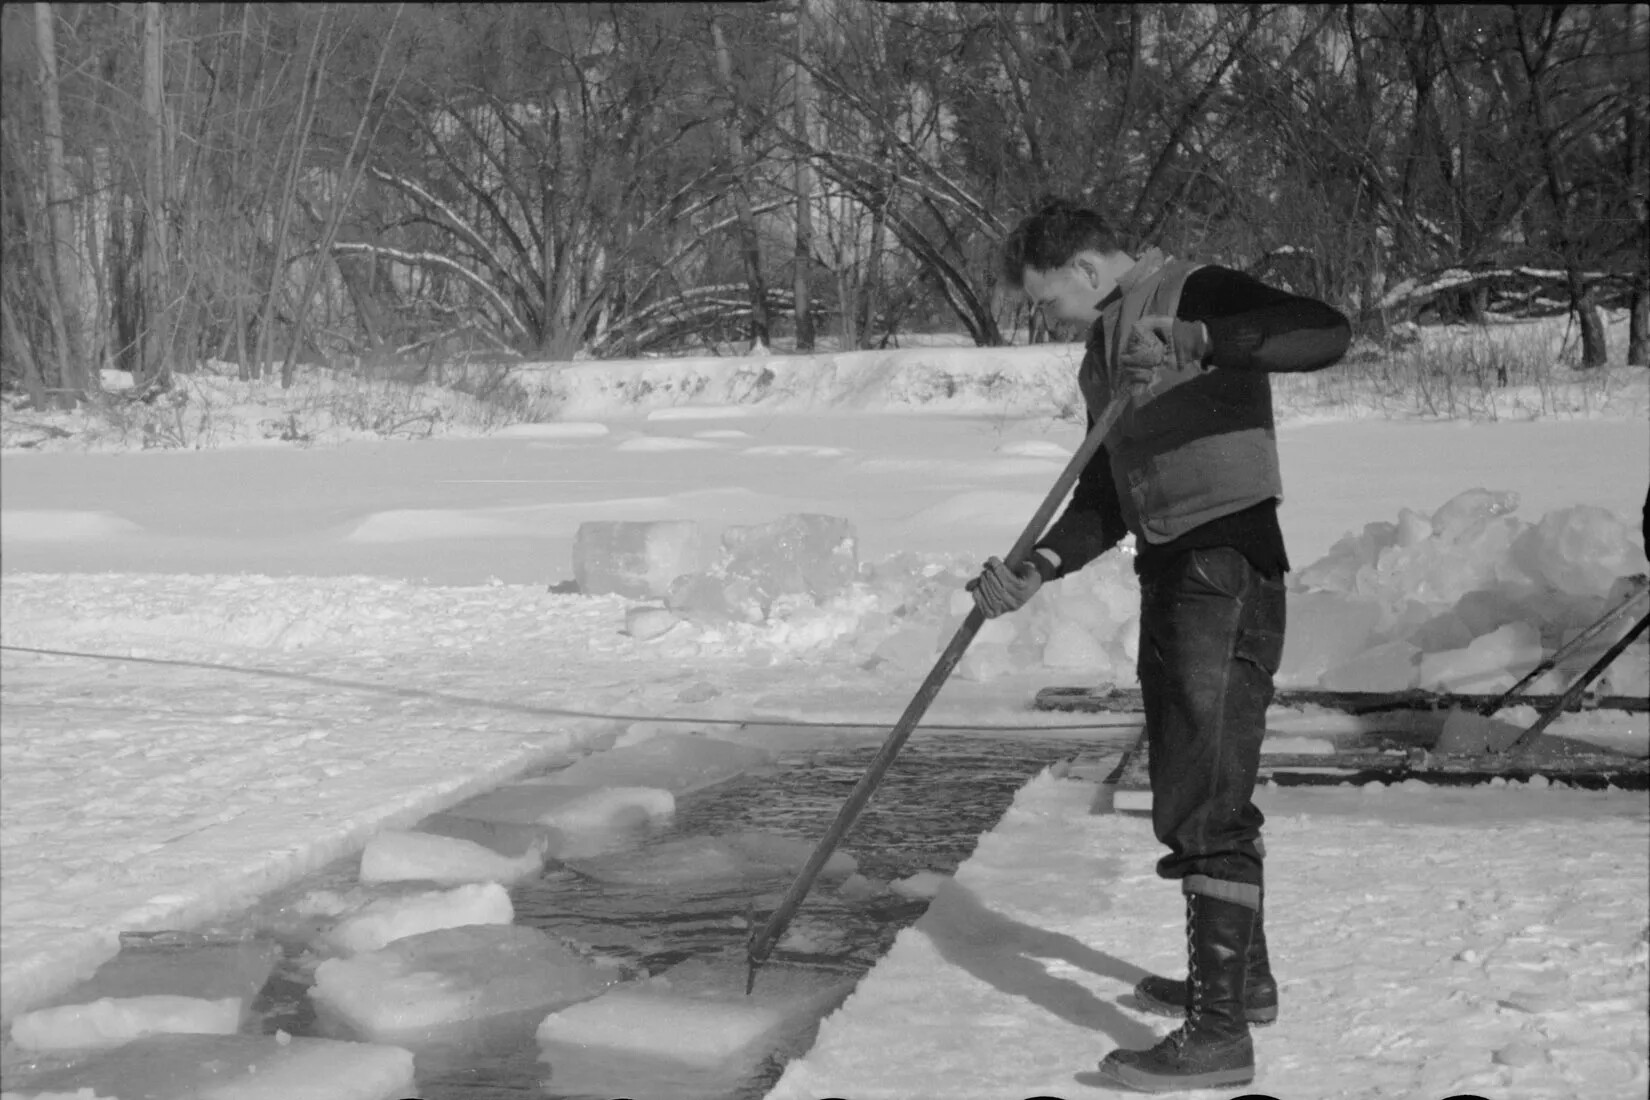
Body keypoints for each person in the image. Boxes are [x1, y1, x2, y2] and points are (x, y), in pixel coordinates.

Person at [969, 197, 1350, 1092]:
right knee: (1204, 778)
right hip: (1177, 572)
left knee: (1202, 797)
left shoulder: (1196, 292)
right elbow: (1106, 487)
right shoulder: (1104, 348)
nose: (1042, 313)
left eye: (1043, 296)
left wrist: (1203, 341)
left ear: (1088, 270)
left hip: (1224, 566)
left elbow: (1324, 332)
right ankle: (1241, 985)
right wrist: (1044, 564)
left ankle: (1217, 1037)